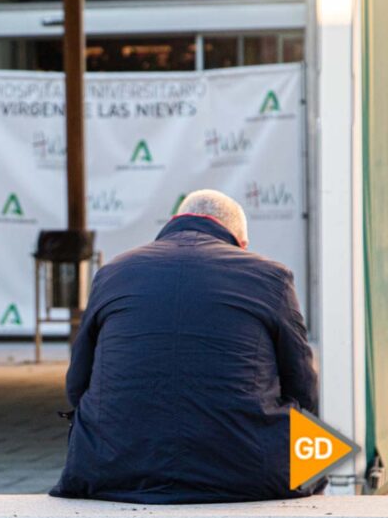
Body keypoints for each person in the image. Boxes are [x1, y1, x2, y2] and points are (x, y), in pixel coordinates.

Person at [50, 189, 319, 504]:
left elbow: (76, 385)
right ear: (241, 242)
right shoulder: (271, 276)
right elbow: (304, 389)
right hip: (251, 473)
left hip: (109, 469)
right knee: (323, 447)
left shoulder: (112, 273)